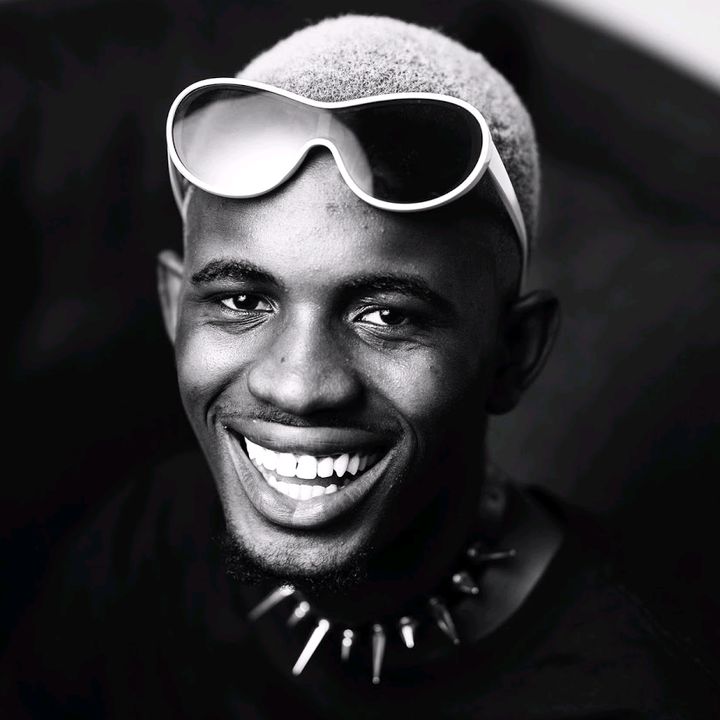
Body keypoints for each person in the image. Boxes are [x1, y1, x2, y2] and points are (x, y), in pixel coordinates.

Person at [3, 14, 718, 719]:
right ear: (173, 310)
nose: (297, 386)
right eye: (242, 301)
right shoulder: (146, 543)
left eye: (387, 316)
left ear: (515, 353)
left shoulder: (630, 691)